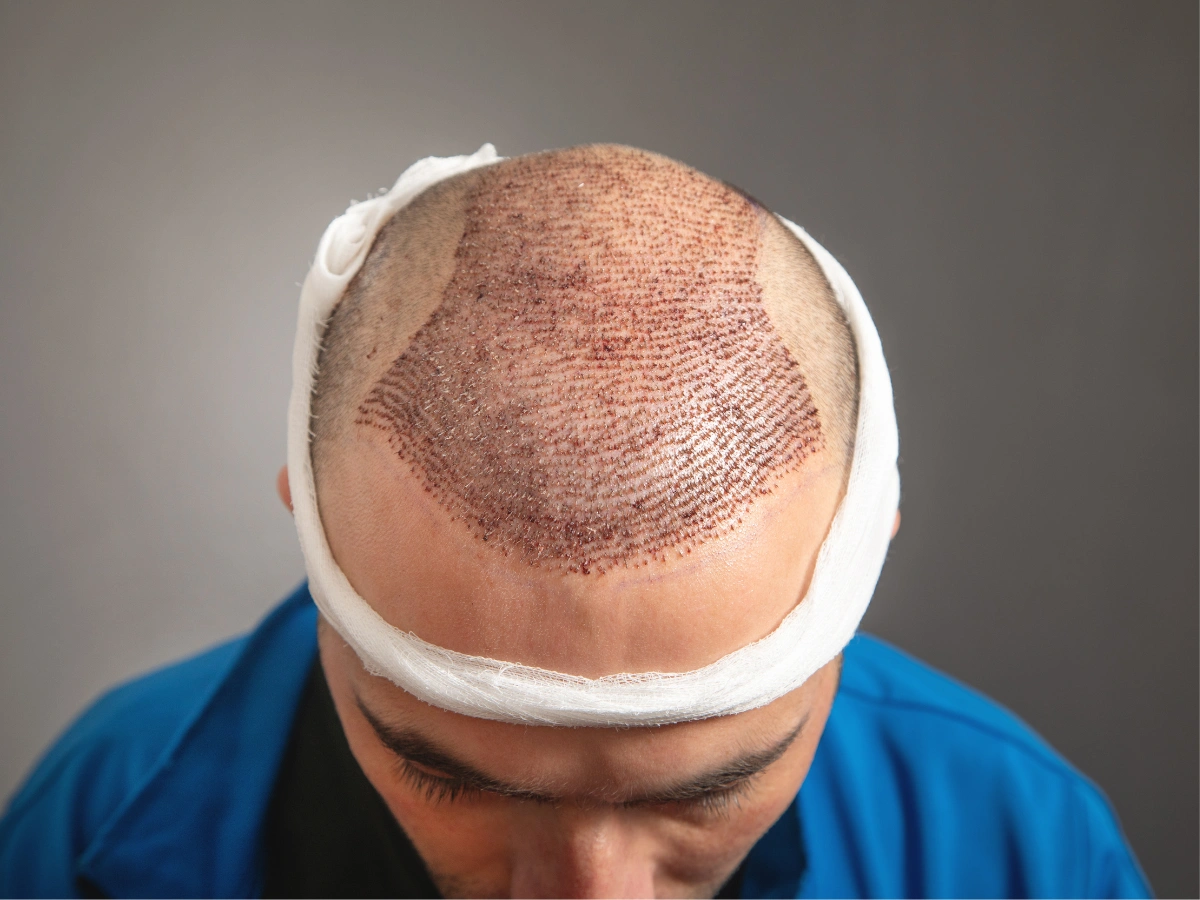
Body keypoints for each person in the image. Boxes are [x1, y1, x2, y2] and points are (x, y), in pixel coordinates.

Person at [0, 145, 1149, 899]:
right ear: (312, 526)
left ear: (869, 550)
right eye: (454, 780)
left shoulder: (1023, 853)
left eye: (702, 793)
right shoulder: (93, 822)